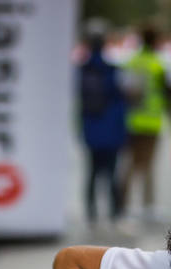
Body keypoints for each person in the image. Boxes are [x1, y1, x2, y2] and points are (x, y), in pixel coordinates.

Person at [121, 25, 171, 224]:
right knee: (148, 165)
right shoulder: (158, 64)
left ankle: (123, 205)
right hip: (151, 121)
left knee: (130, 165)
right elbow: (167, 94)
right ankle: (147, 205)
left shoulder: (132, 61)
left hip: (132, 120)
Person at [77, 22, 127, 227]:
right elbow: (125, 99)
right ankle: (115, 214)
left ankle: (91, 213)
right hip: (112, 131)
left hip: (92, 130)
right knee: (112, 173)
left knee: (92, 173)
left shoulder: (82, 71)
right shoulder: (114, 70)